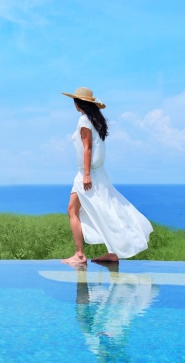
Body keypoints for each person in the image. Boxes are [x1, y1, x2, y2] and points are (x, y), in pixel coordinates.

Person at [61, 87, 153, 264]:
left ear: (78, 103)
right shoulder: (95, 121)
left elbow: (87, 148)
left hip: (87, 173)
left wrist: (86, 174)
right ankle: (112, 252)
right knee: (105, 208)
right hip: (96, 172)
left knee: (75, 210)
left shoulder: (83, 121)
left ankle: (80, 254)